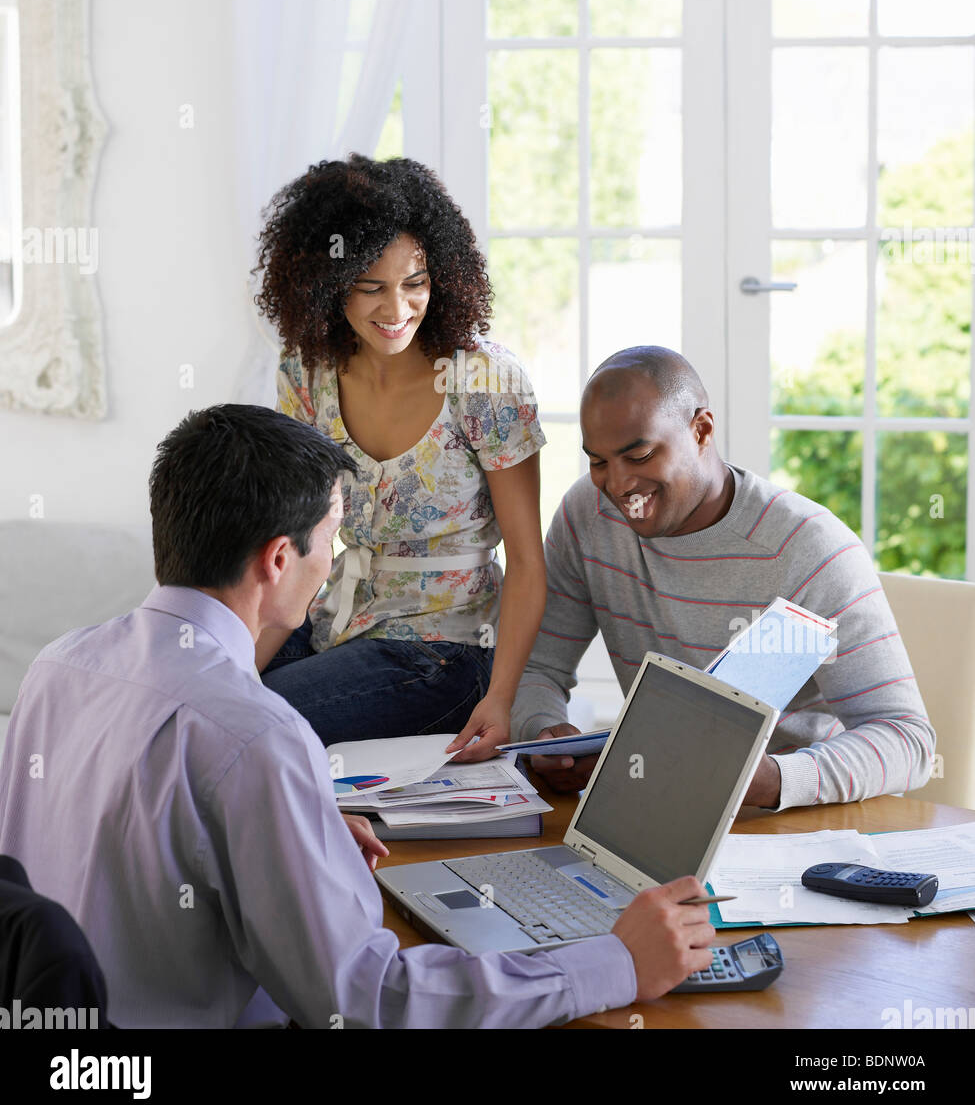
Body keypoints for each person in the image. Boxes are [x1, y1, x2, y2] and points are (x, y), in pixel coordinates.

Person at [0, 405, 716, 1028]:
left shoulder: (60, 665)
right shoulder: (256, 734)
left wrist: (282, 831)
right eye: (334, 537)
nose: (335, 563)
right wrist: (614, 962)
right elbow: (371, 1004)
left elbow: (103, 851)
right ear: (279, 558)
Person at [515, 346, 936, 810]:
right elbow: (536, 668)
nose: (617, 486)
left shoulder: (807, 549)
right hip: (658, 803)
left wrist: (773, 779)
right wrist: (544, 734)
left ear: (701, 431)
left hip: (794, 823)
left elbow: (909, 742)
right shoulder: (587, 517)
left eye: (639, 455)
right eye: (598, 462)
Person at [253, 153, 547, 761]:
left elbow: (526, 561)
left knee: (259, 725)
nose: (396, 310)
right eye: (370, 288)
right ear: (328, 286)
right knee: (208, 704)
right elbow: (295, 539)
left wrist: (502, 697)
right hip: (336, 619)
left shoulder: (483, 381)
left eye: (414, 283)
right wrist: (237, 668)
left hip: (448, 649)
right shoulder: (307, 374)